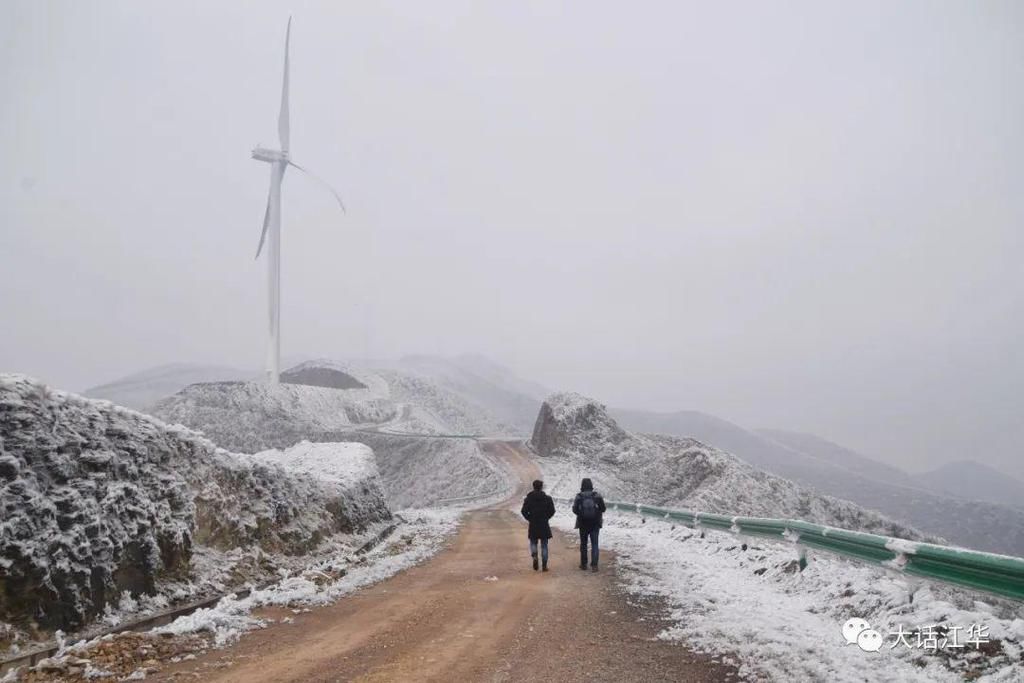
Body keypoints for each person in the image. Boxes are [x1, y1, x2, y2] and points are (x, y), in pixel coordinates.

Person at [521, 479, 555, 571]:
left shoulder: (528, 498)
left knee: (533, 542)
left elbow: (523, 511)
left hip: (533, 524)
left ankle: (534, 554)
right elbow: (552, 511)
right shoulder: (547, 498)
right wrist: (546, 517)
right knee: (544, 545)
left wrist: (530, 518)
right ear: (541, 487)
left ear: (533, 486)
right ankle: (544, 565)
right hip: (544, 523)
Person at [572, 477, 606, 571]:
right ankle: (594, 565)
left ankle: (583, 564)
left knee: (583, 544)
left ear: (582, 485)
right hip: (595, 524)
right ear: (591, 485)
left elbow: (574, 509)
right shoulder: (597, 496)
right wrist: (597, 513)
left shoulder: (579, 496)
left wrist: (581, 514)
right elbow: (603, 508)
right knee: (595, 544)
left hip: (583, 523)